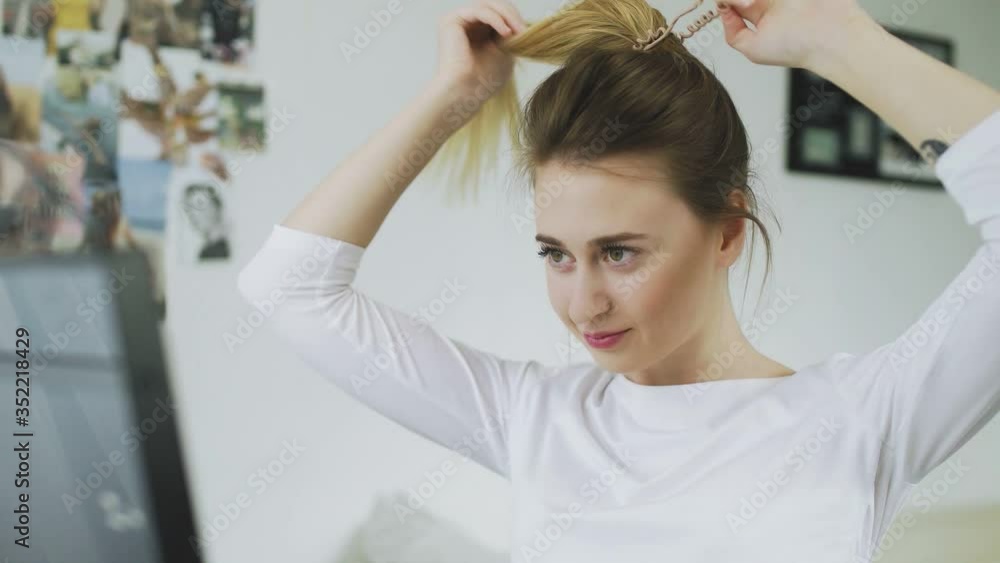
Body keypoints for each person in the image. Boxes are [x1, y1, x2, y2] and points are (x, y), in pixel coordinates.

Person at [237, 0, 1000, 561]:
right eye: (555, 254)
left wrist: (840, 40)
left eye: (622, 252)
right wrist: (454, 98)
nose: (583, 302)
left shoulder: (863, 419)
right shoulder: (532, 417)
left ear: (727, 231)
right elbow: (289, 287)